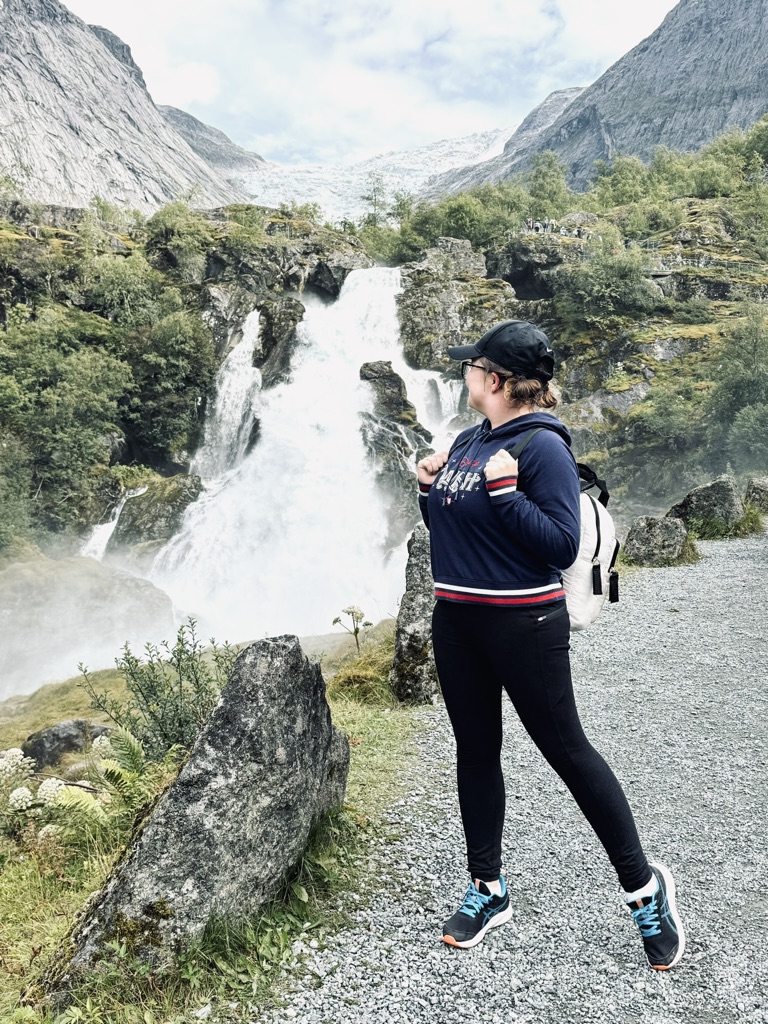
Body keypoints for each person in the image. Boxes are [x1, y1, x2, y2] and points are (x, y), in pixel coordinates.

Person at [416, 320, 685, 969]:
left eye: (473, 366)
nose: (465, 374)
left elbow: (560, 544)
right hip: (458, 621)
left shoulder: (542, 449)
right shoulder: (471, 440)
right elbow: (453, 532)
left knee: (568, 753)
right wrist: (429, 489)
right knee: (476, 752)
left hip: (524, 627)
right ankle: (488, 889)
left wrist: (507, 493)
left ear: (499, 381)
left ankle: (645, 891)